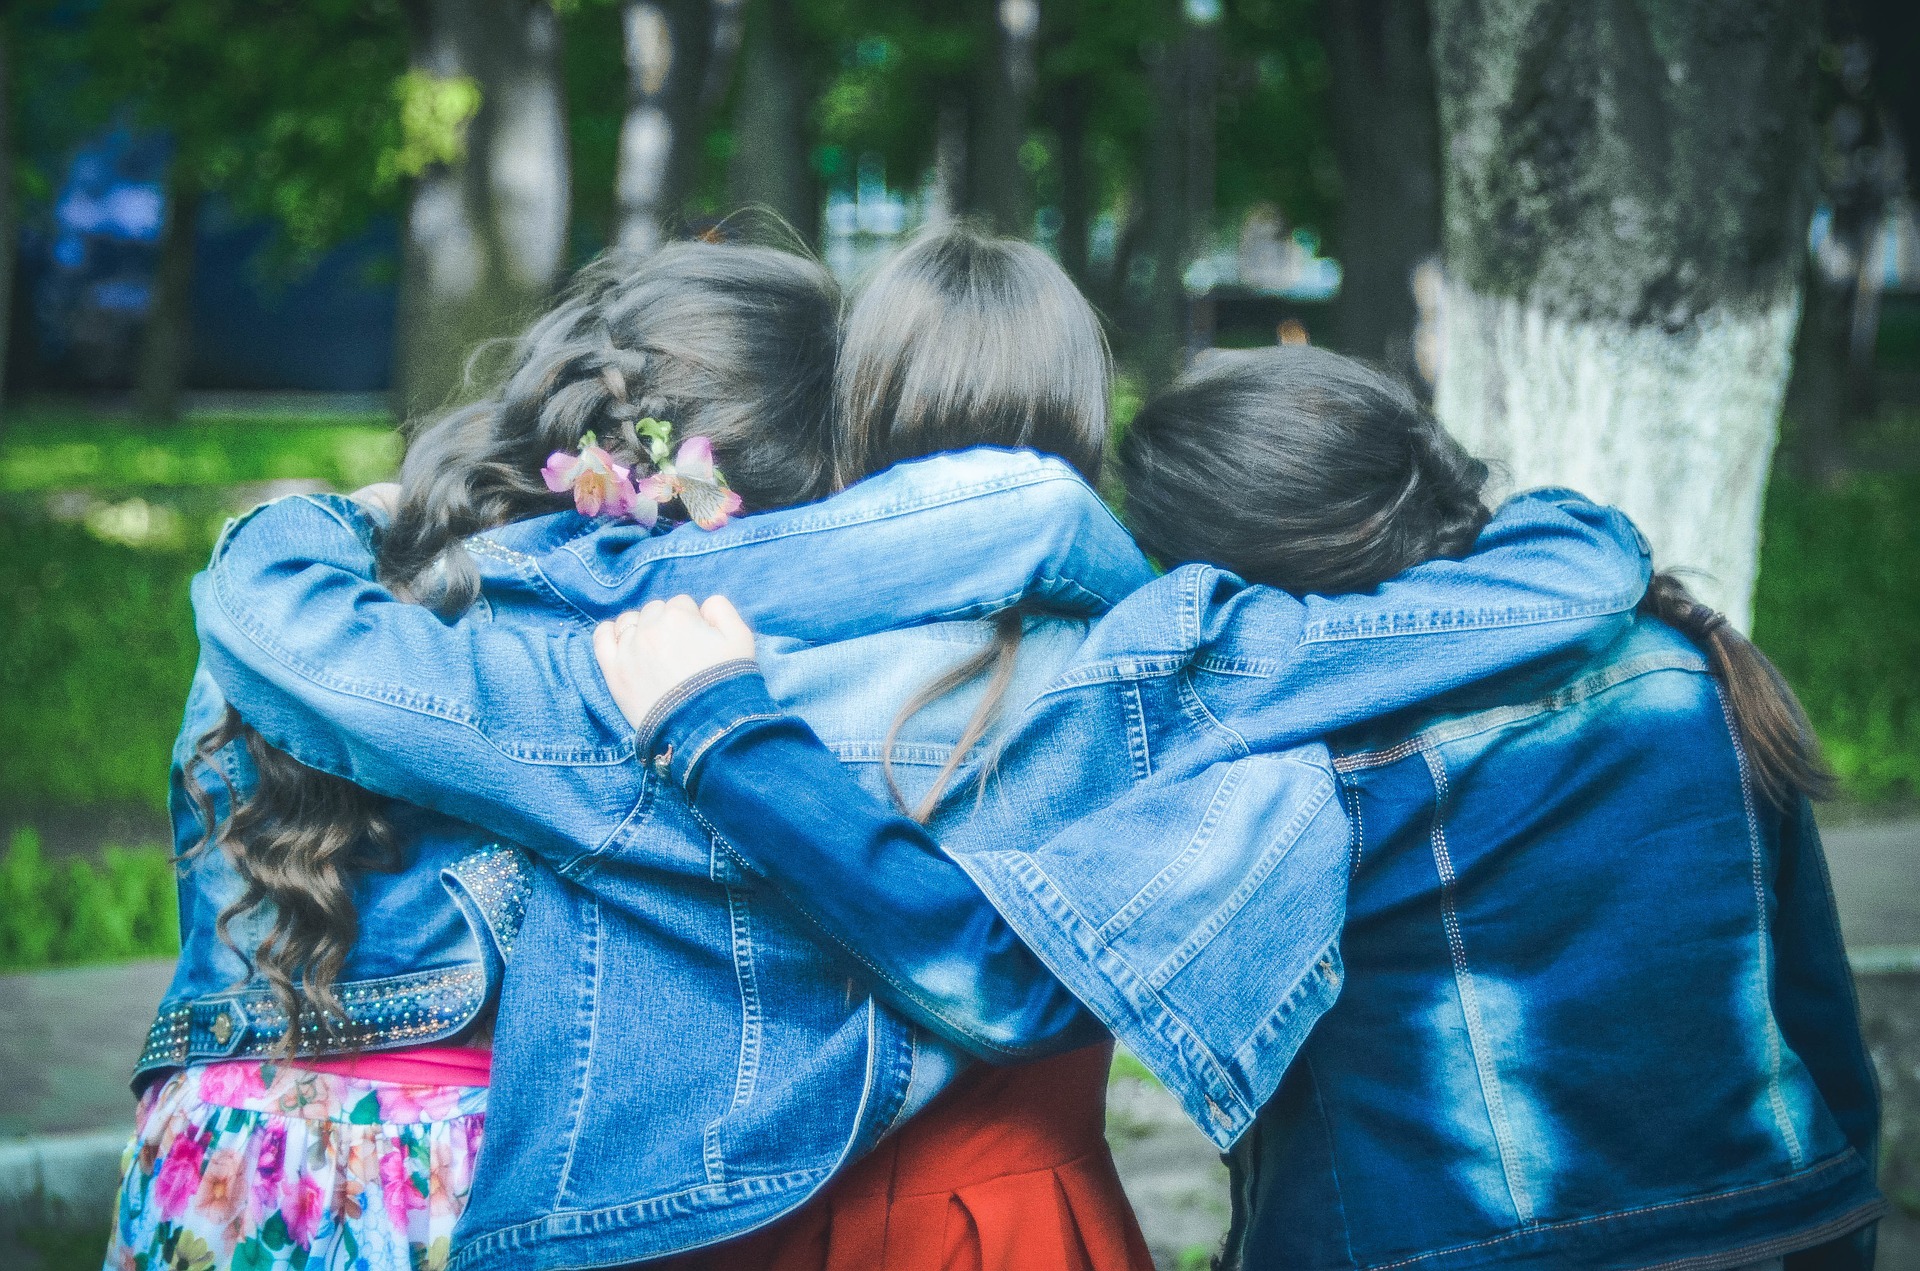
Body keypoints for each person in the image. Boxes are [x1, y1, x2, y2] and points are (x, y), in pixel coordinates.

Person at [591, 346, 1886, 1271]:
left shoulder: (1294, 752)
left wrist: (722, 730)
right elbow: (1816, 1017)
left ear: (1228, 567)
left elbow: (998, 971)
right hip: (1771, 1221)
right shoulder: (1680, 655)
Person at [107, 239, 847, 1271]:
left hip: (212, 1166)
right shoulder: (637, 666)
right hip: (448, 1181)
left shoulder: (292, 580)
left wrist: (331, 514)